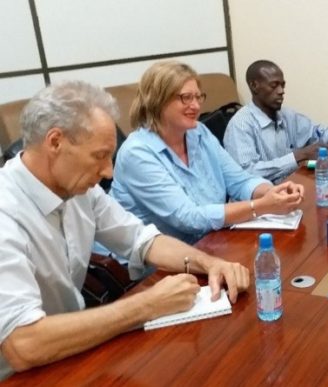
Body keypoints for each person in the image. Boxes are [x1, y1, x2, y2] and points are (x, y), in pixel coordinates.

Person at [0, 80, 250, 380]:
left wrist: (211, 263)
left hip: (73, 349)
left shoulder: (80, 189)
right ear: (55, 142)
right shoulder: (6, 212)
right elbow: (23, 344)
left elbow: (143, 240)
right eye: (99, 156)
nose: (109, 172)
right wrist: (146, 305)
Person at [111, 61, 304, 244]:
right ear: (157, 100)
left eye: (198, 97)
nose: (195, 106)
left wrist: (274, 192)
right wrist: (261, 206)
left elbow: (239, 180)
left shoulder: (198, 132)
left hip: (211, 241)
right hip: (154, 263)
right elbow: (188, 218)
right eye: (186, 98)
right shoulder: (137, 153)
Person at [224, 59, 328, 183]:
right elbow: (246, 174)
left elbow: (316, 131)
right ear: (254, 86)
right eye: (274, 86)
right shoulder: (241, 125)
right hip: (258, 204)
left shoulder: (286, 115)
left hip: (289, 190)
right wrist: (299, 155)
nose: (281, 91)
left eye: (283, 85)